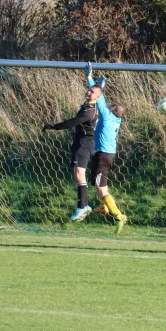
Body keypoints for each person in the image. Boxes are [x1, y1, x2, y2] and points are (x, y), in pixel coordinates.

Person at [42, 80, 103, 222]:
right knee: (77, 173)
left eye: (92, 92)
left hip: (85, 144)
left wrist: (53, 126)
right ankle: (84, 206)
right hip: (81, 143)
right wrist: (95, 81)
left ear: (98, 97)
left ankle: (83, 206)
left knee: (79, 173)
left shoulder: (90, 112)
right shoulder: (89, 106)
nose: (88, 92)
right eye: (88, 90)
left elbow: (72, 122)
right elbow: (98, 91)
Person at [82, 63, 127, 233]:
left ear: (112, 110)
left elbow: (97, 96)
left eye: (110, 106)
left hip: (103, 156)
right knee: (99, 186)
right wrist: (101, 86)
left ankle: (118, 216)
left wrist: (90, 78)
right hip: (107, 155)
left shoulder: (107, 115)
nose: (107, 106)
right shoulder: (117, 119)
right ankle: (104, 207)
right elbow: (102, 98)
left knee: (101, 188)